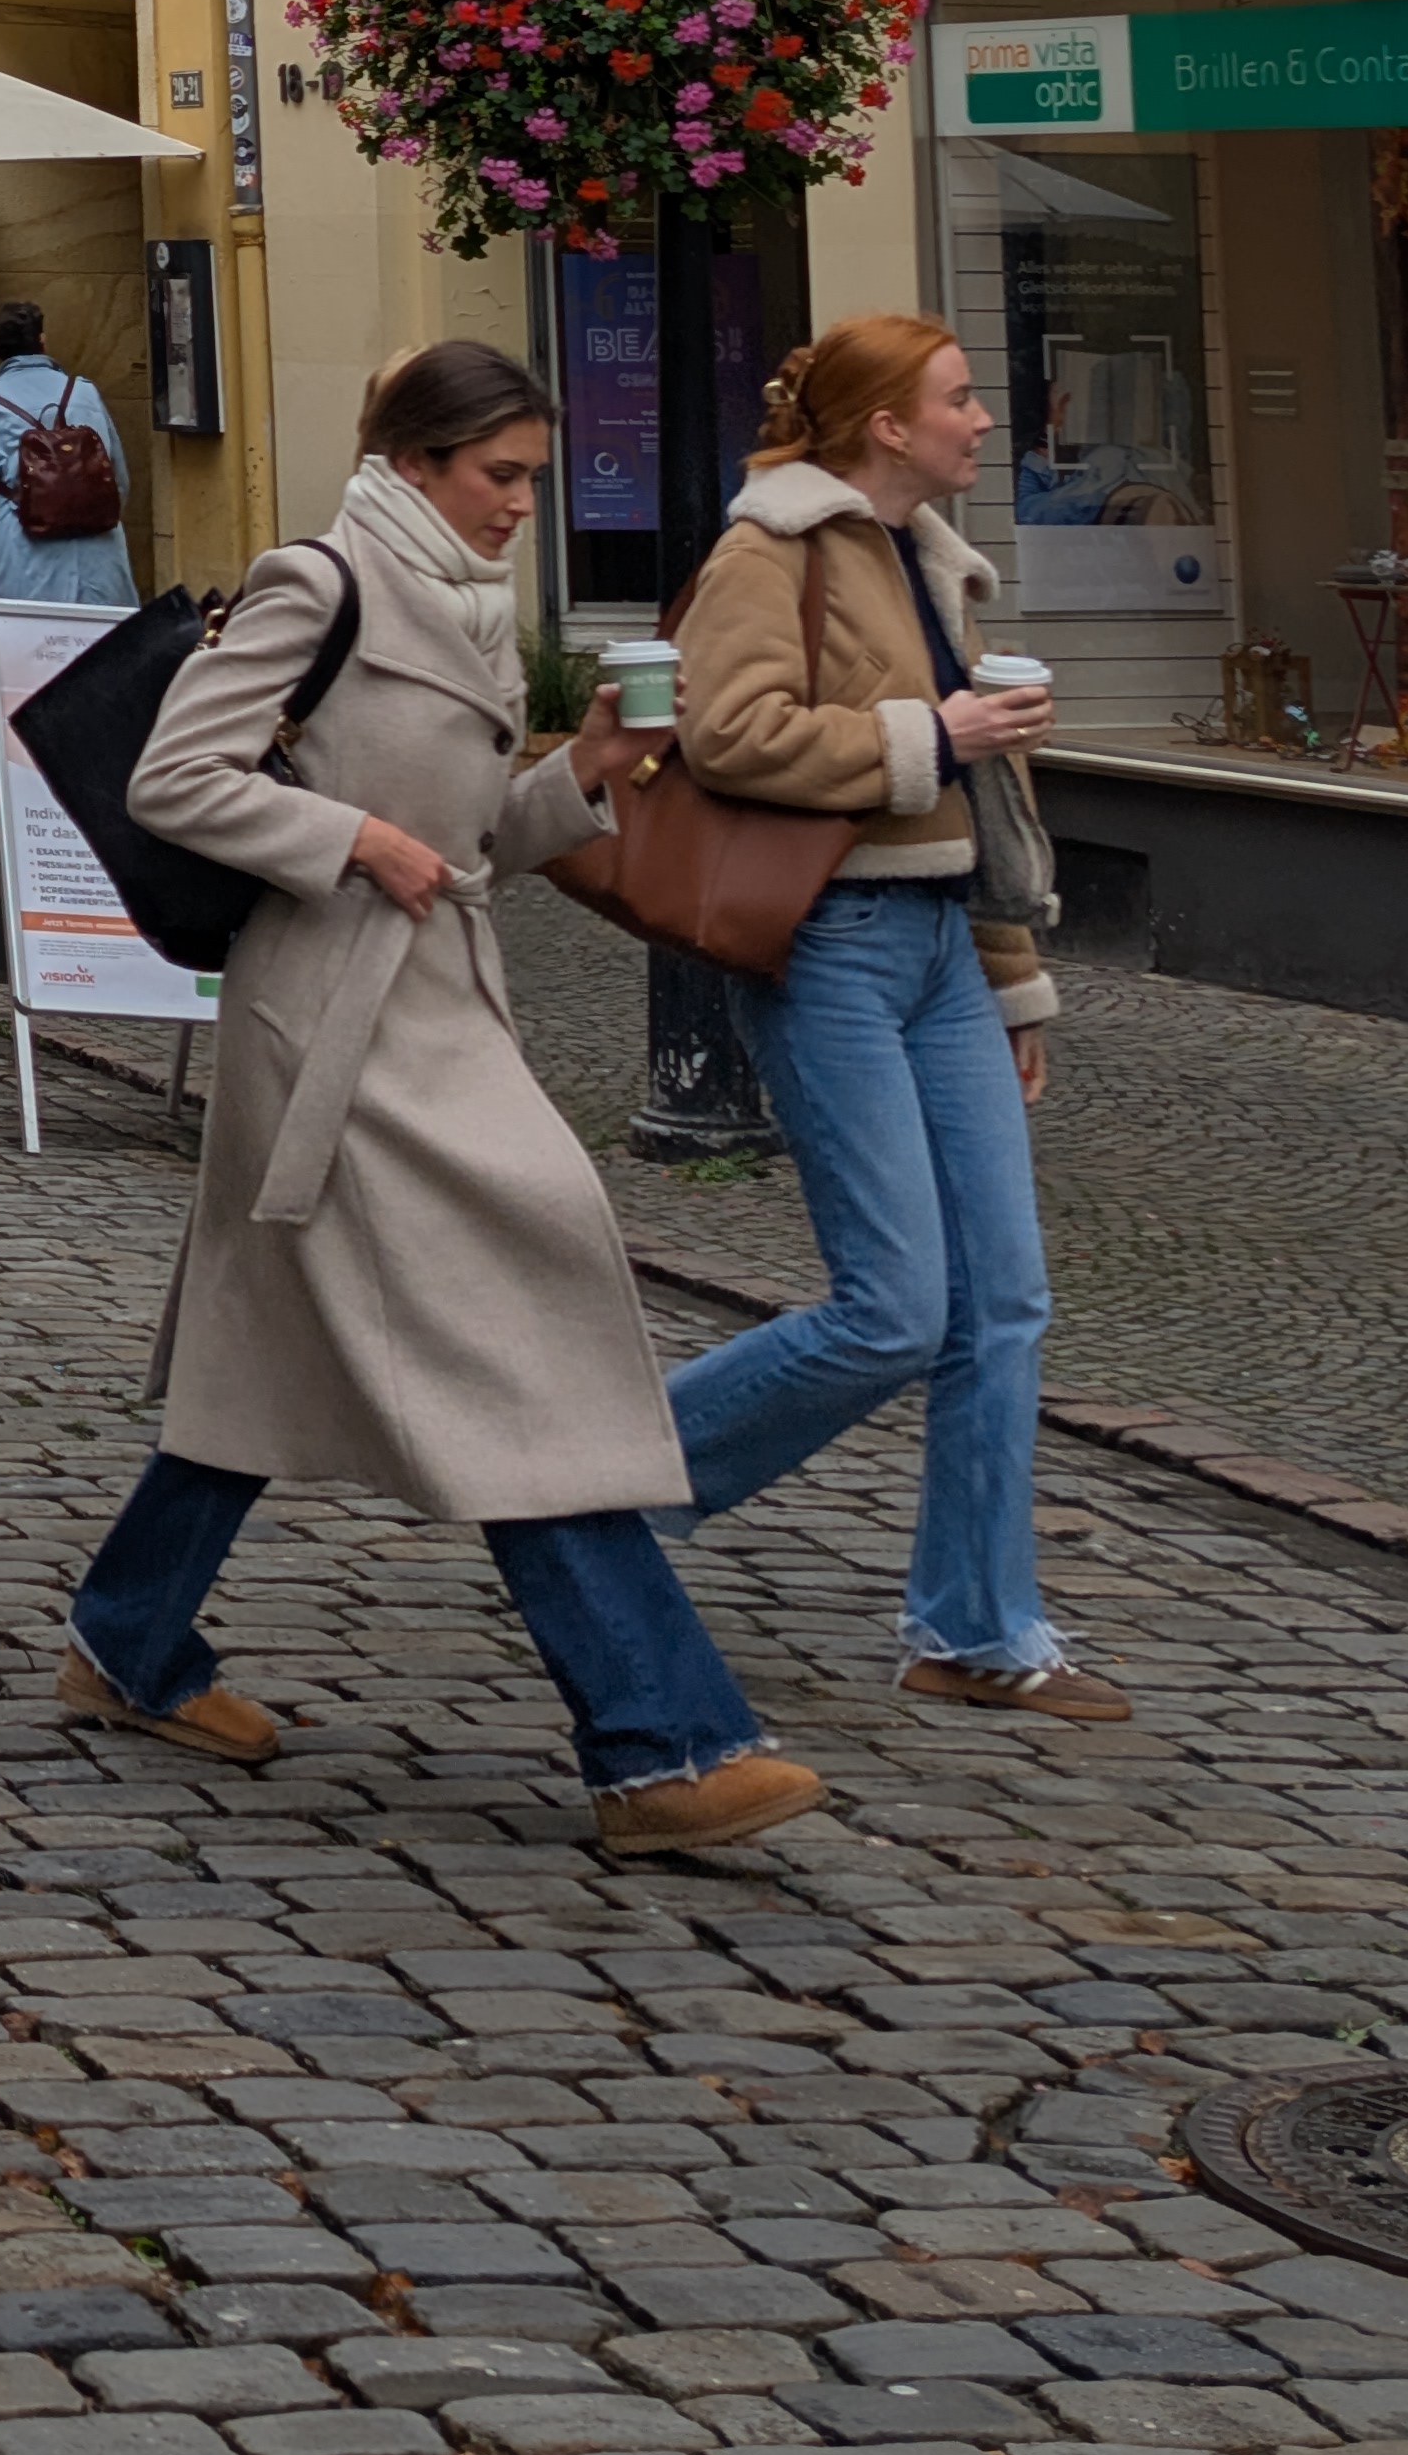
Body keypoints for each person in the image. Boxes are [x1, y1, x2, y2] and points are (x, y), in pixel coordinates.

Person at [58, 336, 816, 1860]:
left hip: (439, 1009)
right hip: (333, 1028)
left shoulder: (469, 602)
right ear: (414, 462)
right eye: (499, 475)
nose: (523, 504)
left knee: (269, 1356)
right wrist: (350, 838)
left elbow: (467, 851)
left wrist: (583, 770)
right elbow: (174, 780)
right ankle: (661, 1746)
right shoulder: (319, 584)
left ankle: (125, 1638)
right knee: (512, 1353)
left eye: (533, 476)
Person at [661, 317, 1113, 1720]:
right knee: (894, 1312)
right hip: (829, 947)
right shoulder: (770, 548)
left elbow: (982, 807)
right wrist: (932, 736)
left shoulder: (923, 553)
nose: (983, 420)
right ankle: (599, 1481)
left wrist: (1012, 980)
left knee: (1005, 1303)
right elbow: (725, 731)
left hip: (939, 949)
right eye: (959, 400)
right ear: (886, 428)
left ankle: (974, 1629)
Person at [0, 296, 138, 632]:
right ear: (41, 340)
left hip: (20, 551)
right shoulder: (84, 393)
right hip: (97, 554)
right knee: (99, 649)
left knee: (31, 650)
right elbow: (117, 476)